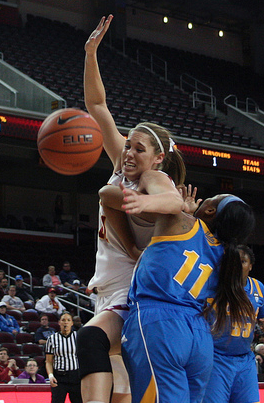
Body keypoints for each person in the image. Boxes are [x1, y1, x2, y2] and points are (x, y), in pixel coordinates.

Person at [76, 14, 186, 403]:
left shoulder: (153, 181)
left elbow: (172, 200)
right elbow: (97, 104)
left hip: (132, 289)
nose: (128, 152)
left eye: (139, 148)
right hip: (107, 287)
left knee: (89, 341)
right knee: (120, 382)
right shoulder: (121, 167)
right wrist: (91, 53)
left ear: (157, 159)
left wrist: (143, 201)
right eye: (128, 145)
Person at [119, 185, 255, 403]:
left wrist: (181, 209)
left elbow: (109, 197)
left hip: (160, 323)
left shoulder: (178, 222)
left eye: (210, 198)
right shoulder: (227, 257)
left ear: (210, 210)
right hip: (200, 336)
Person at [203, 244, 264, 403]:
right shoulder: (210, 286)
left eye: (243, 262)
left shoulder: (258, 288)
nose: (237, 266)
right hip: (216, 359)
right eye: (233, 262)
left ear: (250, 266)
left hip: (245, 361)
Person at [45, 311, 82, 403]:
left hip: (76, 377)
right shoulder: (52, 339)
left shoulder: (78, 337)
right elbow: (49, 361)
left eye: (68, 320)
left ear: (72, 323)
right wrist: (50, 375)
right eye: (63, 320)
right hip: (59, 377)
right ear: (59, 322)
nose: (66, 322)